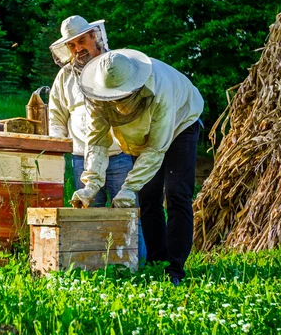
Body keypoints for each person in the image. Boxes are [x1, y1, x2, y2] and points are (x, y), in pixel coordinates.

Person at [72, 49, 204, 285]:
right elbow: (97, 142)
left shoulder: (160, 92)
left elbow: (156, 149)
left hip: (182, 122)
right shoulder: (96, 97)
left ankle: (174, 270)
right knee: (148, 197)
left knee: (176, 193)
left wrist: (128, 187)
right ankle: (156, 263)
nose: (116, 102)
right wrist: (90, 184)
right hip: (140, 139)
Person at [47, 15, 146, 262]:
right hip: (81, 158)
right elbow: (57, 116)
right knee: (90, 217)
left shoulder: (115, 65)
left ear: (94, 36)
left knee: (130, 214)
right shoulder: (64, 77)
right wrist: (57, 150)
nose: (78, 49)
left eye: (81, 41)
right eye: (72, 45)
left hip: (119, 154)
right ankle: (98, 266)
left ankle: (140, 264)